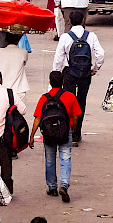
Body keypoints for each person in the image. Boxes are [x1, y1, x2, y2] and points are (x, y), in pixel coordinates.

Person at [51, 10, 103, 145]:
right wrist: (95, 68)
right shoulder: (91, 36)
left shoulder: (65, 37)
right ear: (83, 21)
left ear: (70, 21)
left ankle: (67, 131)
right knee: (81, 102)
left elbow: (58, 58)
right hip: (85, 74)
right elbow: (100, 55)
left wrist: (56, 73)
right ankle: (76, 134)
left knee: (68, 102)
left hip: (69, 73)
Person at [29, 70, 81, 202]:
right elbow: (76, 116)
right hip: (64, 132)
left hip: (48, 134)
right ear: (63, 81)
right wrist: (72, 129)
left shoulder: (44, 98)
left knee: (50, 160)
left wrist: (32, 137)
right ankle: (64, 185)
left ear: (50, 82)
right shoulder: (70, 96)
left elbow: (37, 118)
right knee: (65, 159)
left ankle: (52, 187)